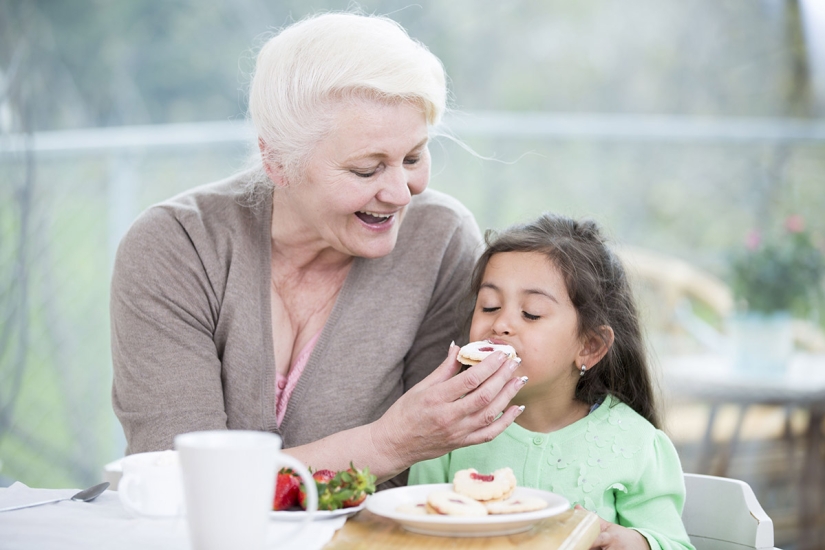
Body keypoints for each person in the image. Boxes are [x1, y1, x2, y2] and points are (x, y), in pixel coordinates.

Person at [110, 11, 526, 489]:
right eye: (367, 170)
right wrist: (387, 444)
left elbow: (437, 474)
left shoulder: (441, 240)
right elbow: (182, 481)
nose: (400, 192)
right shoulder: (177, 247)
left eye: (412, 157)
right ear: (278, 162)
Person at [409, 213, 694, 550]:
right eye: (489, 306)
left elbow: (674, 543)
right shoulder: (447, 428)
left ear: (589, 346)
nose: (501, 324)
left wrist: (633, 542)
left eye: (531, 313)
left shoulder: (638, 444)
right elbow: (416, 530)